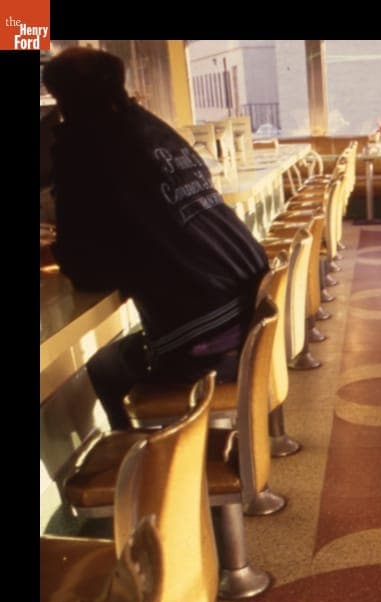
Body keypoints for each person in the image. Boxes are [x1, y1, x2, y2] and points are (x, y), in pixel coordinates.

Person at [41, 46, 269, 428]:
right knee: (115, 358)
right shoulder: (153, 127)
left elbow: (87, 269)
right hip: (247, 305)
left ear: (62, 100)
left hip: (211, 332)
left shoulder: (83, 144)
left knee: (106, 367)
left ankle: (153, 466)